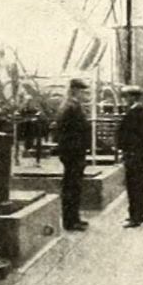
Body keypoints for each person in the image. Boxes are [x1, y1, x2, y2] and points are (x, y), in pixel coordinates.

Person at [56, 78, 91, 231]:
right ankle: (70, 222)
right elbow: (70, 131)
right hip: (73, 152)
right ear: (75, 90)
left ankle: (74, 218)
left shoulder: (71, 105)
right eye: (83, 92)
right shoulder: (71, 107)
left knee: (74, 186)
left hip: (74, 151)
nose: (85, 95)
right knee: (71, 187)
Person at [117, 85, 143, 228]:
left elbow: (132, 136)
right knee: (138, 185)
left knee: (133, 186)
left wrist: (126, 150)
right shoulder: (139, 112)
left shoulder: (135, 113)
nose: (125, 100)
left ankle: (135, 217)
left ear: (133, 97)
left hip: (133, 154)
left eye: (126, 97)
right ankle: (139, 215)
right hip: (137, 154)